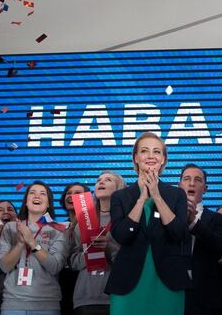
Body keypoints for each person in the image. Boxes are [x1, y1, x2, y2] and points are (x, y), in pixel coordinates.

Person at [105, 132, 190, 314]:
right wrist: (141, 200)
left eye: (157, 152)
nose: (151, 156)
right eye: (144, 151)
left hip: (169, 280)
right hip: (128, 281)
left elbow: (178, 233)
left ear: (163, 160)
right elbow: (121, 235)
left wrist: (157, 196)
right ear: (136, 158)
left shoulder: (177, 195)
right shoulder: (120, 196)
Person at [0, 181, 69, 314]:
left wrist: (32, 243)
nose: (37, 196)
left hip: (47, 304)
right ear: (25, 201)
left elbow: (55, 267)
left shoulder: (58, 230)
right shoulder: (11, 227)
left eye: (42, 194)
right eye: (32, 193)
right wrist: (19, 244)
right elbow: (4, 267)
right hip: (13, 304)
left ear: (48, 204)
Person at [69, 171, 125, 315]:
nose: (101, 182)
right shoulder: (82, 221)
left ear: (120, 188)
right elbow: (73, 262)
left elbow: (131, 261)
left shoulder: (127, 220)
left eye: (108, 180)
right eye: (98, 180)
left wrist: (108, 247)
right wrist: (89, 252)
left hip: (118, 298)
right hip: (85, 299)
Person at [179, 163, 222, 315]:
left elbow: (218, 246)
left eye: (198, 180)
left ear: (205, 188)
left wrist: (193, 222)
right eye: (187, 179)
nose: (192, 183)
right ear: (179, 185)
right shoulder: (166, 215)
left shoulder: (218, 219)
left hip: (205, 297)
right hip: (172, 292)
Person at [59, 183, 88, 315]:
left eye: (77, 193)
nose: (71, 196)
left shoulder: (94, 225)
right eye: (69, 193)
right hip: (61, 281)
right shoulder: (56, 226)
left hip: (85, 280)